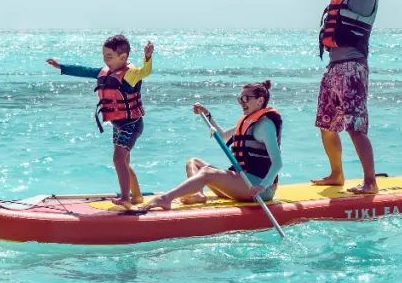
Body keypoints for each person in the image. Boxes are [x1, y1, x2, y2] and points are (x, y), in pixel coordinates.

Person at [305, 0, 384, 194]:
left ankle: (370, 182)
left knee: (354, 126)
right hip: (333, 67)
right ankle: (336, 174)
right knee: (326, 124)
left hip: (352, 68)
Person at [47, 35, 153, 208]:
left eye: (109, 56)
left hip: (132, 124)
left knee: (118, 159)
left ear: (123, 57)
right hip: (118, 124)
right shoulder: (106, 72)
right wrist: (61, 66)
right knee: (124, 161)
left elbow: (145, 72)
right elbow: (85, 71)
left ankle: (125, 198)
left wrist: (147, 58)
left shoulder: (131, 74)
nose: (105, 59)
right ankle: (137, 196)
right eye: (104, 55)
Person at [141, 81, 282, 211]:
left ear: (260, 100)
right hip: (242, 182)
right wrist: (207, 115)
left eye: (246, 98)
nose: (241, 102)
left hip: (259, 188)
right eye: (240, 99)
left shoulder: (265, 125)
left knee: (208, 172)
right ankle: (197, 194)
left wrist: (262, 186)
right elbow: (222, 136)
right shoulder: (247, 122)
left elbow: (277, 163)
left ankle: (165, 199)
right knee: (194, 163)